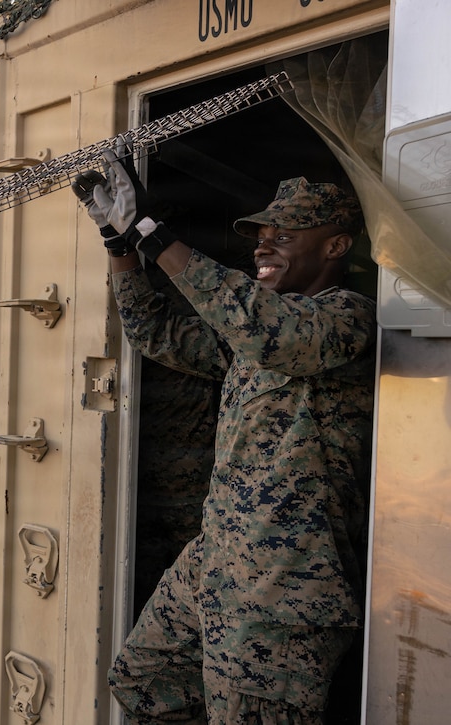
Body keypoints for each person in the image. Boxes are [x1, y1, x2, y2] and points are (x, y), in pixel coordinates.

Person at [73, 156, 376, 723]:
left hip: (284, 590)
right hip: (218, 562)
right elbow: (155, 332)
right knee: (143, 681)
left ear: (336, 247)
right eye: (260, 238)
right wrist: (120, 245)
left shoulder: (346, 320)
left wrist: (153, 233)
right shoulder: (250, 333)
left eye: (284, 236)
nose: (263, 247)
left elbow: (268, 331)